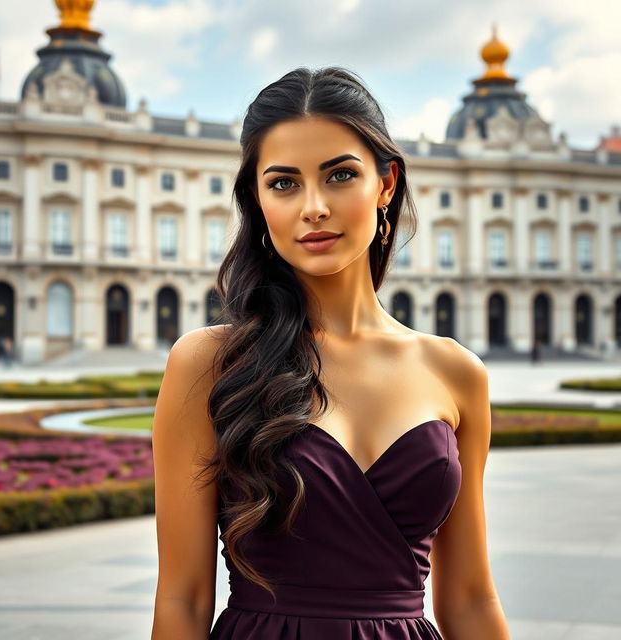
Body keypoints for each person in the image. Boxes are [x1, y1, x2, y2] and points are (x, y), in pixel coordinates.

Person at [150, 66, 510, 640]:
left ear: (386, 184)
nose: (313, 206)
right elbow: (182, 599)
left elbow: (469, 599)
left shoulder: (456, 373)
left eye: (340, 175)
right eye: (284, 183)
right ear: (258, 201)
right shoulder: (207, 362)